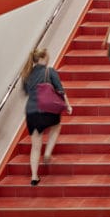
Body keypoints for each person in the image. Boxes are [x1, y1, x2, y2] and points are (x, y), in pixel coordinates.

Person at [21, 47, 72, 187]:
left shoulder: (27, 74)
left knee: (35, 146)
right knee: (56, 126)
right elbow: (60, 90)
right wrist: (68, 105)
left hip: (31, 112)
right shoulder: (50, 71)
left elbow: (25, 91)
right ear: (43, 58)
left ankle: (34, 177)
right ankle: (48, 152)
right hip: (48, 110)